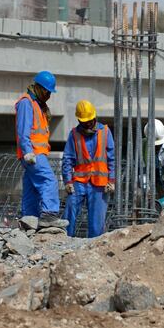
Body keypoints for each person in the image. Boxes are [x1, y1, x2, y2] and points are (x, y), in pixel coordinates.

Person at [15, 71, 68, 230]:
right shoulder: (27, 102)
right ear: (38, 88)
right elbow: (23, 129)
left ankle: (29, 219)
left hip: (36, 153)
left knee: (31, 187)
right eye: (47, 91)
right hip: (33, 154)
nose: (48, 95)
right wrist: (27, 151)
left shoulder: (38, 104)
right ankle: (49, 215)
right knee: (49, 180)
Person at [61, 100, 115, 238]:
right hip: (79, 182)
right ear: (79, 120)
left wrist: (112, 180)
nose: (89, 123)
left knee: (97, 222)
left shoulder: (105, 132)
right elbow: (68, 159)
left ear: (94, 117)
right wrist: (68, 181)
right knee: (70, 211)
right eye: (85, 121)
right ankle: (63, 240)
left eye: (90, 120)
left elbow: (111, 158)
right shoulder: (74, 134)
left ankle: (93, 247)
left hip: (100, 183)